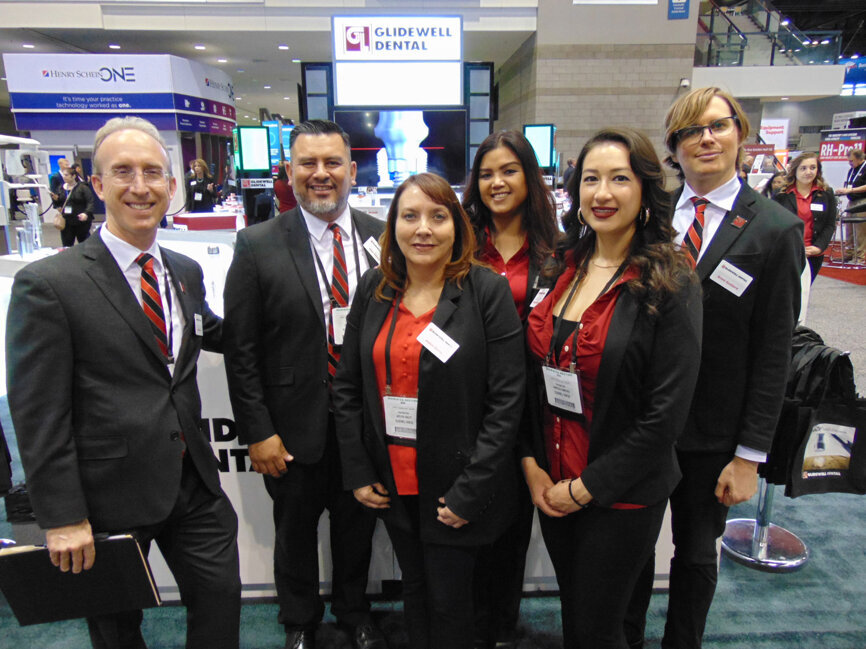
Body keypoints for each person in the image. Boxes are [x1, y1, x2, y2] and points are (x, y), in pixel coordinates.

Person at [5, 116, 241, 649]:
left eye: (153, 173)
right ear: (98, 181)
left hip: (193, 484)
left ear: (171, 186)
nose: (141, 186)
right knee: (116, 630)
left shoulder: (183, 270)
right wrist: (62, 516)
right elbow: (38, 412)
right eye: (124, 172)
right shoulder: (49, 284)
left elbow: (209, 332)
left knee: (220, 608)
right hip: (105, 496)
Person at [625, 87, 804, 649]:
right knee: (628, 547)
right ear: (673, 149)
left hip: (715, 434)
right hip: (642, 423)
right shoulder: (649, 221)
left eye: (718, 126)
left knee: (696, 554)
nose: (705, 139)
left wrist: (751, 455)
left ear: (740, 136)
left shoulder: (774, 229)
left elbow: (775, 353)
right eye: (689, 132)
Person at [520, 127, 702, 649]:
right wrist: (532, 466)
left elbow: (665, 417)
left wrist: (585, 489)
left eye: (619, 179)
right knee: (587, 614)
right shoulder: (562, 266)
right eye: (591, 179)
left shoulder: (672, 279)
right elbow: (535, 378)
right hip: (554, 481)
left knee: (594, 628)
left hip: (618, 493)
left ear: (644, 190)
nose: (602, 193)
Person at [333, 172, 525, 649]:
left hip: (456, 486)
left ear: (456, 226)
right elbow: (347, 387)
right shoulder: (375, 287)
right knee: (415, 590)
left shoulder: (484, 290)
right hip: (392, 482)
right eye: (410, 216)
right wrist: (358, 470)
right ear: (392, 225)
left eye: (438, 217)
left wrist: (471, 491)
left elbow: (507, 399)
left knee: (452, 601)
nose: (423, 229)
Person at [223, 119, 386, 649]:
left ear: (352, 170)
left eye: (333, 163)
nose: (321, 174)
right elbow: (241, 351)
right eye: (308, 164)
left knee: (357, 530)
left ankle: (355, 611)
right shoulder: (256, 244)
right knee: (293, 532)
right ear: (289, 171)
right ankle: (298, 620)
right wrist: (257, 431)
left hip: (364, 424)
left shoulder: (383, 237)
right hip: (290, 430)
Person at [461, 129, 559, 649]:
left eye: (509, 170)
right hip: (469, 401)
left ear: (529, 176)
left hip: (532, 405)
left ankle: (501, 625)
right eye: (486, 173)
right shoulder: (461, 242)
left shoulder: (557, 250)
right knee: (467, 514)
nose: (497, 182)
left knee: (513, 523)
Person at [773, 152, 837, 282]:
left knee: (805, 292)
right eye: (803, 168)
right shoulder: (781, 194)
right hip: (787, 252)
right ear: (794, 170)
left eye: (813, 168)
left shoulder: (826, 193)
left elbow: (830, 224)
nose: (808, 172)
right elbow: (773, 225)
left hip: (813, 253)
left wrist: (818, 247)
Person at [835, 148, 866, 263]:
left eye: (852, 160)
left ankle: (860, 257)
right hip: (851, 201)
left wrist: (852, 190)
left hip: (862, 202)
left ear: (859, 159)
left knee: (860, 231)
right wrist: (845, 190)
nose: (850, 163)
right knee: (849, 230)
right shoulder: (851, 170)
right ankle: (849, 253)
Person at [57, 165, 96, 246]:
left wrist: (86, 213)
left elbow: (90, 201)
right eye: (63, 175)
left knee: (84, 243)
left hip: (81, 220)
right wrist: (56, 200)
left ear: (73, 176)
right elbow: (60, 201)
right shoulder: (62, 188)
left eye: (66, 175)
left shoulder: (82, 187)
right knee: (67, 243)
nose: (64, 177)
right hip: (67, 220)